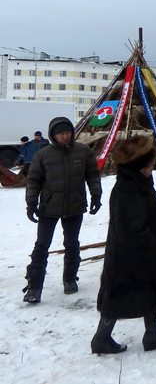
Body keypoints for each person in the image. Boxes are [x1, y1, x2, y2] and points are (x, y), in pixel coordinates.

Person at [91, 136, 156, 354]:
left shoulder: (139, 182)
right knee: (118, 297)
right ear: (139, 165)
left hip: (143, 253)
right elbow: (130, 227)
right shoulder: (127, 188)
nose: (152, 167)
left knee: (150, 290)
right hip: (129, 256)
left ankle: (153, 335)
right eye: (149, 163)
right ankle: (101, 338)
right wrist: (152, 246)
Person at [24, 117, 101, 303]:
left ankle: (69, 279)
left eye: (68, 133)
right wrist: (31, 203)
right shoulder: (43, 154)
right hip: (49, 207)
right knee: (42, 245)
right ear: (53, 135)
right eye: (61, 134)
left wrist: (96, 196)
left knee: (72, 243)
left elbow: (93, 175)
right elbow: (34, 180)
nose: (65, 137)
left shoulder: (83, 152)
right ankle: (34, 287)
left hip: (75, 205)